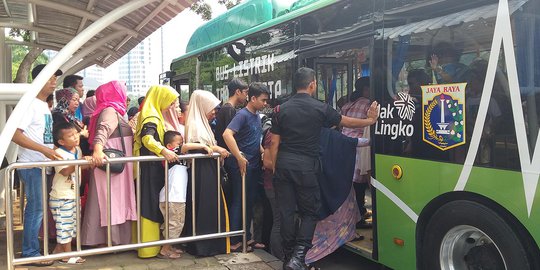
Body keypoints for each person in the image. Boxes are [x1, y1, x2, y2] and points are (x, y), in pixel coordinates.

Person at [268, 67, 379, 270]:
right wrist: (370, 120)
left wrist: (277, 169)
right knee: (309, 212)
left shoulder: (280, 109)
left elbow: (274, 144)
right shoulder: (320, 108)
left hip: (283, 165)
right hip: (307, 168)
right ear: (312, 84)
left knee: (286, 212)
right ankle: (298, 258)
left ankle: (288, 256)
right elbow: (346, 122)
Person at [11, 64, 63, 266]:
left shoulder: (43, 105)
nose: (54, 81)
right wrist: (45, 151)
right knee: (36, 209)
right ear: (38, 80)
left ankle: (32, 248)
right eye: (50, 77)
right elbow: (16, 135)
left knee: (38, 208)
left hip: (41, 165)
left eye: (55, 77)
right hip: (31, 165)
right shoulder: (30, 104)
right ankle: (30, 252)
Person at [81, 81, 137, 246]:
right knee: (110, 200)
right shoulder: (110, 110)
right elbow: (103, 130)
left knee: (113, 200)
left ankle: (112, 240)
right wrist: (98, 150)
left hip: (114, 166)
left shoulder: (110, 110)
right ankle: (110, 241)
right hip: (111, 166)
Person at [133, 85, 180, 258]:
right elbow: (147, 138)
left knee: (151, 204)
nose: (171, 106)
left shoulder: (152, 113)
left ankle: (152, 246)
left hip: (151, 167)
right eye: (170, 102)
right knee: (149, 205)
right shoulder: (151, 116)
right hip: (149, 168)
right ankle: (149, 248)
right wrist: (163, 150)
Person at [223, 83, 270, 252]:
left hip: (254, 166)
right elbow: (227, 134)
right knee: (238, 201)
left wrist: (262, 151)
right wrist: (239, 156)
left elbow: (254, 139)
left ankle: (246, 237)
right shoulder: (242, 115)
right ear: (253, 98)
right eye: (263, 100)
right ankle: (235, 240)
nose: (265, 103)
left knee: (249, 201)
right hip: (240, 167)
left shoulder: (257, 116)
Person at [184, 90, 230, 256]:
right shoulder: (196, 125)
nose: (214, 113)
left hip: (208, 171)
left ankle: (211, 246)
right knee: (203, 207)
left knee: (209, 207)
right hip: (202, 172)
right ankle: (203, 247)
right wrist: (212, 148)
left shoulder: (203, 124)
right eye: (212, 109)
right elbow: (193, 147)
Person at [158, 130, 213, 259]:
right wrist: (203, 146)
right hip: (174, 197)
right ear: (169, 146)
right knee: (175, 224)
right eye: (179, 142)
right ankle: (164, 250)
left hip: (170, 196)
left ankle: (169, 247)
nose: (182, 144)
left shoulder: (177, 158)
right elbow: (186, 147)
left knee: (170, 224)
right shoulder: (173, 153)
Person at [50, 122, 91, 264]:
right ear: (61, 141)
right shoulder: (58, 153)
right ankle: (68, 255)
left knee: (72, 225)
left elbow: (79, 167)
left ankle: (58, 251)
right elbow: (65, 171)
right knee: (65, 226)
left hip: (73, 195)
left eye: (75, 134)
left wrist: (88, 163)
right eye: (70, 136)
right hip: (61, 197)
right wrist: (80, 162)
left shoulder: (77, 150)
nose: (75, 137)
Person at [340, 77, 372, 229]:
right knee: (359, 185)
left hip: (346, 146)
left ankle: (358, 213)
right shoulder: (367, 103)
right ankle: (358, 217)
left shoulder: (349, 103)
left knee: (351, 184)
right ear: (365, 89)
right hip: (359, 146)